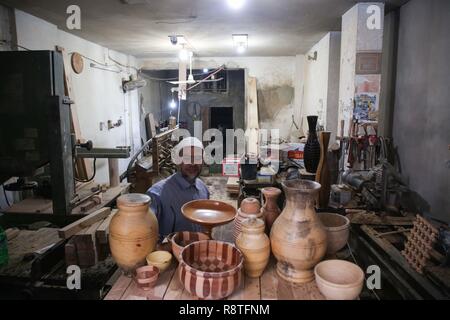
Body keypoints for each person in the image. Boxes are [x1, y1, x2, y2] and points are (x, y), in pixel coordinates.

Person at [146, 137, 210, 241]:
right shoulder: (157, 194)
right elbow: (145, 231)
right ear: (178, 160)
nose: (193, 163)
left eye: (197, 158)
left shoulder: (203, 189)